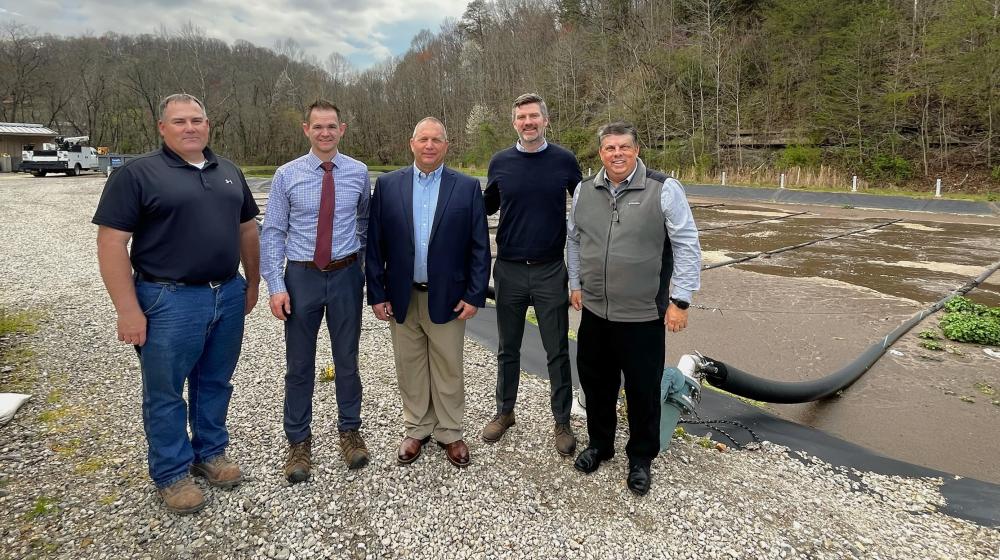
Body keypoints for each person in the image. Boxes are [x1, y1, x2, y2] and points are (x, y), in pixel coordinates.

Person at [93, 93, 260, 514]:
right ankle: (171, 472)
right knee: (165, 391)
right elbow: (112, 243)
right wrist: (128, 309)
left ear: (208, 125)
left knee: (215, 380)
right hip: (167, 298)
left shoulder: (229, 172)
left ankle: (211, 453)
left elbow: (247, 231)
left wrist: (252, 282)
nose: (190, 128)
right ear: (162, 127)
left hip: (226, 292)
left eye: (197, 120)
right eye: (180, 121)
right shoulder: (137, 175)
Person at [567, 121, 701, 496]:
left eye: (624, 147)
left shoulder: (663, 189)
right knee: (597, 385)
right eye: (610, 148)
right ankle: (600, 445)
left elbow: (688, 245)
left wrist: (680, 300)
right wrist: (575, 283)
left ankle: (641, 458)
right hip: (595, 312)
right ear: (600, 154)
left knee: (642, 390)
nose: (617, 154)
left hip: (643, 315)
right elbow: (574, 240)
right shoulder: (583, 191)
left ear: (637, 150)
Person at [366, 117, 490, 468]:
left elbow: (479, 246)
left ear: (447, 145)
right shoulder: (389, 185)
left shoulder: (465, 187)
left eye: (437, 139)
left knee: (449, 366)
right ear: (412, 143)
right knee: (410, 365)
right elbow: (375, 244)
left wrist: (474, 294)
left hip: (449, 296)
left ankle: (450, 432)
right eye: (424, 139)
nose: (430, 145)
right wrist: (377, 293)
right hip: (402, 294)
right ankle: (417, 427)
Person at [260, 100, 371, 483]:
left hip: (345, 276)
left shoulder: (358, 173)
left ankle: (350, 430)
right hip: (302, 277)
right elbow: (272, 232)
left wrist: (366, 273)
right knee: (299, 364)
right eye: (318, 126)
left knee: (347, 359)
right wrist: (275, 286)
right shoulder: (286, 175)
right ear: (306, 129)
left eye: (332, 126)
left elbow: (365, 223)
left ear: (343, 129)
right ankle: (298, 441)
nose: (325, 133)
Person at [481, 93, 582, 456]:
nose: (528, 122)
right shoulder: (500, 162)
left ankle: (562, 422)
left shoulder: (565, 161)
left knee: (556, 349)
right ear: (514, 123)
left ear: (545, 120)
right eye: (521, 117)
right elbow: (486, 206)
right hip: (508, 269)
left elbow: (586, 211)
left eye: (534, 116)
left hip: (550, 271)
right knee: (508, 348)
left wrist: (581, 275)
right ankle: (505, 412)